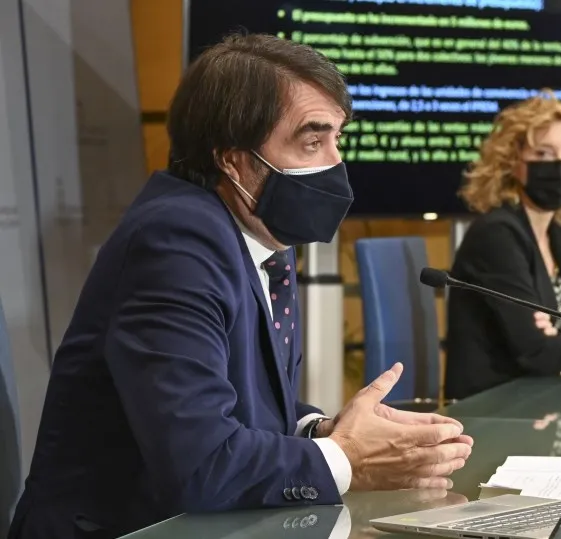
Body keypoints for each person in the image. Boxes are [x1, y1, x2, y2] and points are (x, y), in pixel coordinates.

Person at [9, 34, 473, 539]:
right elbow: (202, 463)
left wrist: (320, 431)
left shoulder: (260, 231)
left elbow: (238, 401)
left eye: (338, 140)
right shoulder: (175, 242)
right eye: (312, 141)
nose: (336, 164)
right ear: (234, 160)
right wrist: (347, 459)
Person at [444, 91, 561, 400]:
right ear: (514, 161)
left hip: (541, 402)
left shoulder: (560, 233)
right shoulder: (496, 234)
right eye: (544, 154)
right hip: (489, 411)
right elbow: (538, 353)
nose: (560, 166)